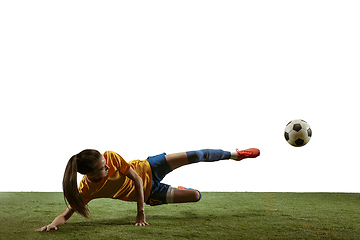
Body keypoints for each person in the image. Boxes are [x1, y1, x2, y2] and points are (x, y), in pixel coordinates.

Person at [35, 148, 260, 232]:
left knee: (196, 155)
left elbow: (134, 178)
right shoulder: (86, 190)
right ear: (90, 175)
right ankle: (172, 191)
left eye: (106, 162)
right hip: (151, 193)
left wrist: (140, 211)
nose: (108, 166)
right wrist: (53, 224)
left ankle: (235, 155)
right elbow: (67, 213)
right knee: (195, 196)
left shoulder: (111, 156)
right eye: (104, 168)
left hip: (150, 167)